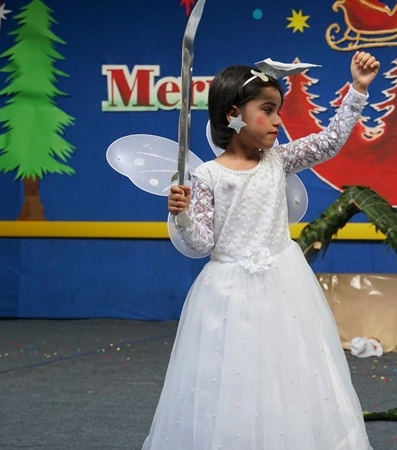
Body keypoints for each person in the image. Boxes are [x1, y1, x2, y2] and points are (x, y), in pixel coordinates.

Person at [143, 51, 380, 450]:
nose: (277, 121)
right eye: (267, 110)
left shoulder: (277, 160)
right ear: (233, 114)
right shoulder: (207, 176)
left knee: (289, 371)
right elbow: (200, 244)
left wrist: (357, 89)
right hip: (228, 295)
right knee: (232, 376)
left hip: (284, 288)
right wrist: (181, 216)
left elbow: (329, 142)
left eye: (278, 111)